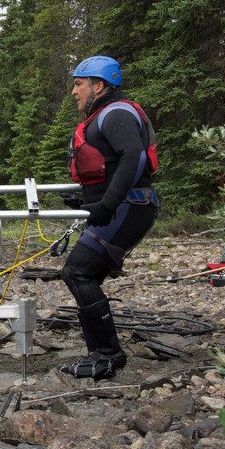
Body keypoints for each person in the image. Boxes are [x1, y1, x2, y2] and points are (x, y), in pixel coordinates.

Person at [59, 55, 159, 380]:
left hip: (128, 207)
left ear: (98, 86)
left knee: (77, 272)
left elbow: (134, 156)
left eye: (79, 84)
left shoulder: (115, 113)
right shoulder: (106, 114)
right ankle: (101, 352)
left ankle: (107, 355)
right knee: (84, 276)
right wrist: (88, 199)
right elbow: (112, 166)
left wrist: (106, 204)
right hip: (123, 206)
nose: (74, 91)